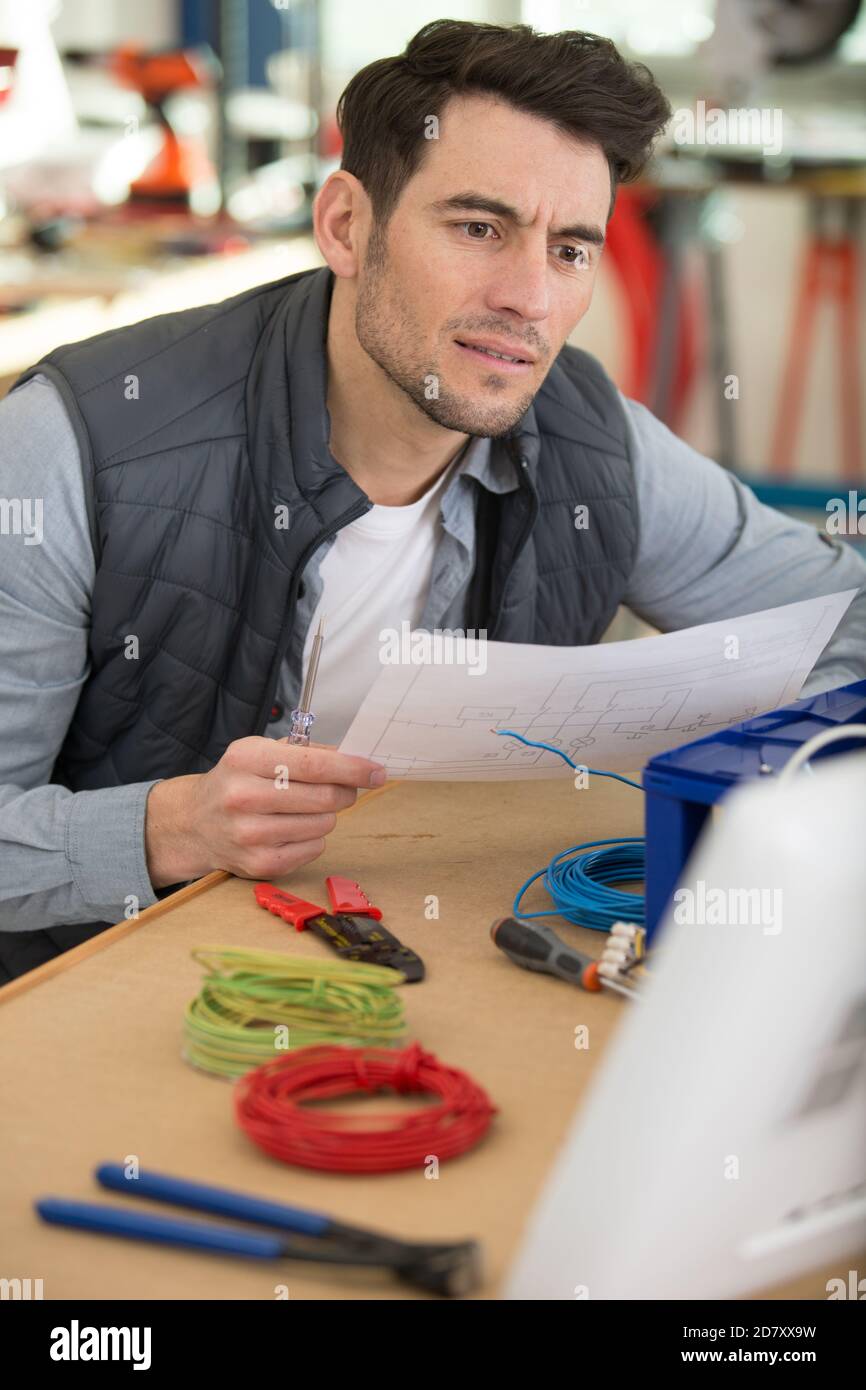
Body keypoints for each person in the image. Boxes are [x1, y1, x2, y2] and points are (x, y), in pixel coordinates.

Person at [1, 20, 864, 980]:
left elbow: (845, 625)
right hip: (96, 998)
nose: (530, 297)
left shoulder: (594, 442)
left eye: (571, 249)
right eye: (479, 228)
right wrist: (169, 827)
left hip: (437, 959)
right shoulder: (73, 446)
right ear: (346, 226)